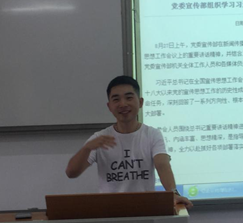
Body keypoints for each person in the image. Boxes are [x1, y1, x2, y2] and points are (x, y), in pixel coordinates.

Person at [66, 75, 193, 208]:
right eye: (116, 99)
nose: (123, 104)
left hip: (146, 210)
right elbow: (71, 173)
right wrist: (86, 149)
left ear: (140, 102)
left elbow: (162, 165)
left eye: (129, 98)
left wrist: (173, 193)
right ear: (109, 106)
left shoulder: (152, 134)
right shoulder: (100, 138)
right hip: (110, 211)